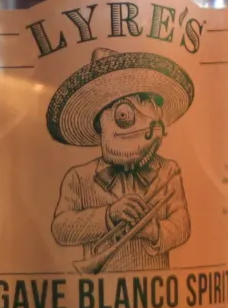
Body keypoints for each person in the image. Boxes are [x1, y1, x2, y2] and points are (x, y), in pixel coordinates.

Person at [45, 48, 195, 272]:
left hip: (157, 292)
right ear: (101, 123)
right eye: (124, 116)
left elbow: (181, 225)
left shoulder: (168, 170)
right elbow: (61, 228)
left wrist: (153, 230)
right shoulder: (79, 177)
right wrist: (109, 215)